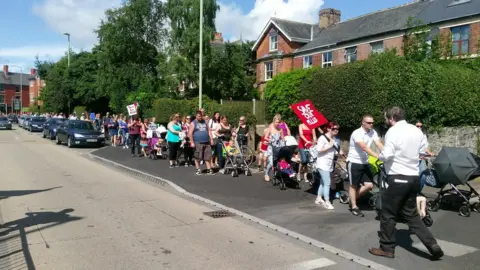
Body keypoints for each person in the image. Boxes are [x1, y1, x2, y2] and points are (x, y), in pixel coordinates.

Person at [369, 107, 443, 260]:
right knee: (412, 215)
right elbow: (423, 151)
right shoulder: (417, 131)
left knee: (388, 214)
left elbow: (387, 154)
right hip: (413, 178)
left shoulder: (393, 131)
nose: (386, 122)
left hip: (397, 177)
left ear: (391, 118)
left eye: (386, 119)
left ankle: (387, 248)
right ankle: (432, 245)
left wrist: (381, 156)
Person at [346, 114, 384, 217]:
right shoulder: (357, 133)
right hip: (354, 162)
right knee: (353, 185)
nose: (371, 124)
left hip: (365, 162)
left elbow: (378, 143)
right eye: (369, 122)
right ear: (363, 123)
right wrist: (378, 156)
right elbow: (364, 147)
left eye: (372, 123)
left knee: (369, 185)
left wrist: (386, 153)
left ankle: (351, 198)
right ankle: (354, 206)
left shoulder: (373, 132)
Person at [314, 122, 339, 210]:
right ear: (328, 129)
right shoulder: (322, 138)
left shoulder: (334, 138)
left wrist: (338, 152)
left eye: (337, 129)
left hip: (329, 163)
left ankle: (318, 198)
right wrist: (329, 146)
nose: (336, 130)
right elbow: (319, 150)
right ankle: (327, 201)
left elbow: (334, 151)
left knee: (323, 182)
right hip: (322, 163)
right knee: (327, 182)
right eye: (333, 129)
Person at [188, 111, 215, 175]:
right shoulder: (193, 123)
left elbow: (209, 131)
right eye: (199, 116)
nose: (200, 117)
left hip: (206, 142)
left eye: (201, 116)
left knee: (208, 156)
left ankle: (209, 169)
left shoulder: (205, 122)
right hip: (198, 142)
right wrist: (192, 142)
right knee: (198, 157)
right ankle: (198, 169)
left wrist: (211, 139)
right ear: (196, 116)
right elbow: (190, 133)